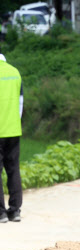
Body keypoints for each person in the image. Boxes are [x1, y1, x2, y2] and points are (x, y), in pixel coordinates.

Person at [0, 53, 23, 223]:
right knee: (13, 169)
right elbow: (20, 102)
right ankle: (15, 211)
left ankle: (1, 213)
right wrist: (16, 121)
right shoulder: (15, 72)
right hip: (14, 129)